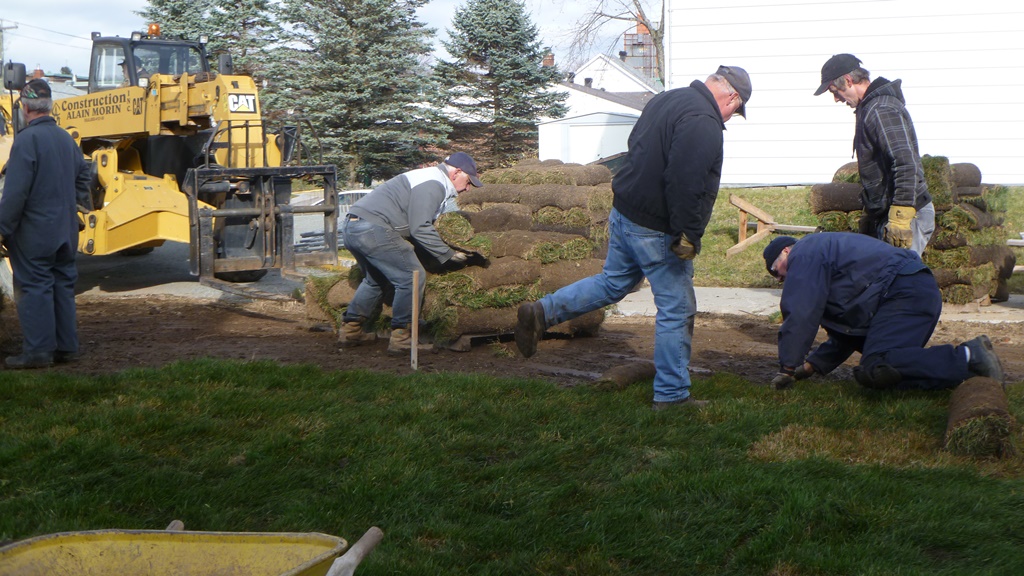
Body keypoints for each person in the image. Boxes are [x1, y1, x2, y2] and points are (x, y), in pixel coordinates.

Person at [514, 65, 752, 411]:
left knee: (614, 282)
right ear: (731, 96)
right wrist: (687, 232)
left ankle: (542, 312)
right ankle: (671, 396)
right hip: (657, 226)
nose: (731, 117)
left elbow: (634, 146)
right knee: (676, 308)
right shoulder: (703, 120)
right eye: (737, 108)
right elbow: (686, 180)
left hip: (625, 211)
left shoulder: (667, 99)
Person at [762, 233, 1004, 391]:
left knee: (878, 363)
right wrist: (812, 365)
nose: (781, 277)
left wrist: (788, 367)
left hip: (903, 290)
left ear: (786, 250)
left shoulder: (806, 252)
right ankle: (973, 379)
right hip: (911, 292)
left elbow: (801, 312)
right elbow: (850, 332)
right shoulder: (825, 260)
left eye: (777, 270)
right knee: (884, 374)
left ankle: (969, 355)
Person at [339, 152, 484, 355]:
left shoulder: (427, 177)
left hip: (354, 227)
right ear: (456, 172)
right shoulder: (434, 183)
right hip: (374, 229)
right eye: (468, 182)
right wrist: (448, 254)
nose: (467, 188)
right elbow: (420, 227)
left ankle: (350, 330)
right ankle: (402, 338)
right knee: (411, 276)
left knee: (375, 279)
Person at [0, 79, 92, 369]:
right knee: (62, 284)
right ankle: (67, 348)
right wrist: (76, 207)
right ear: (50, 105)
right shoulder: (66, 139)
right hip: (65, 229)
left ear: (25, 107)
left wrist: (2, 228)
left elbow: (15, 192)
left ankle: (38, 352)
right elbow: (84, 177)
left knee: (33, 285)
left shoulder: (26, 140)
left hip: (34, 232)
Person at [814, 54, 935, 256]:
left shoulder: (881, 109)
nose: (836, 99)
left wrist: (900, 215)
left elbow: (905, 163)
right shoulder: (870, 108)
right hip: (887, 212)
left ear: (848, 80)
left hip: (907, 215)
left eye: (835, 91)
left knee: (901, 282)